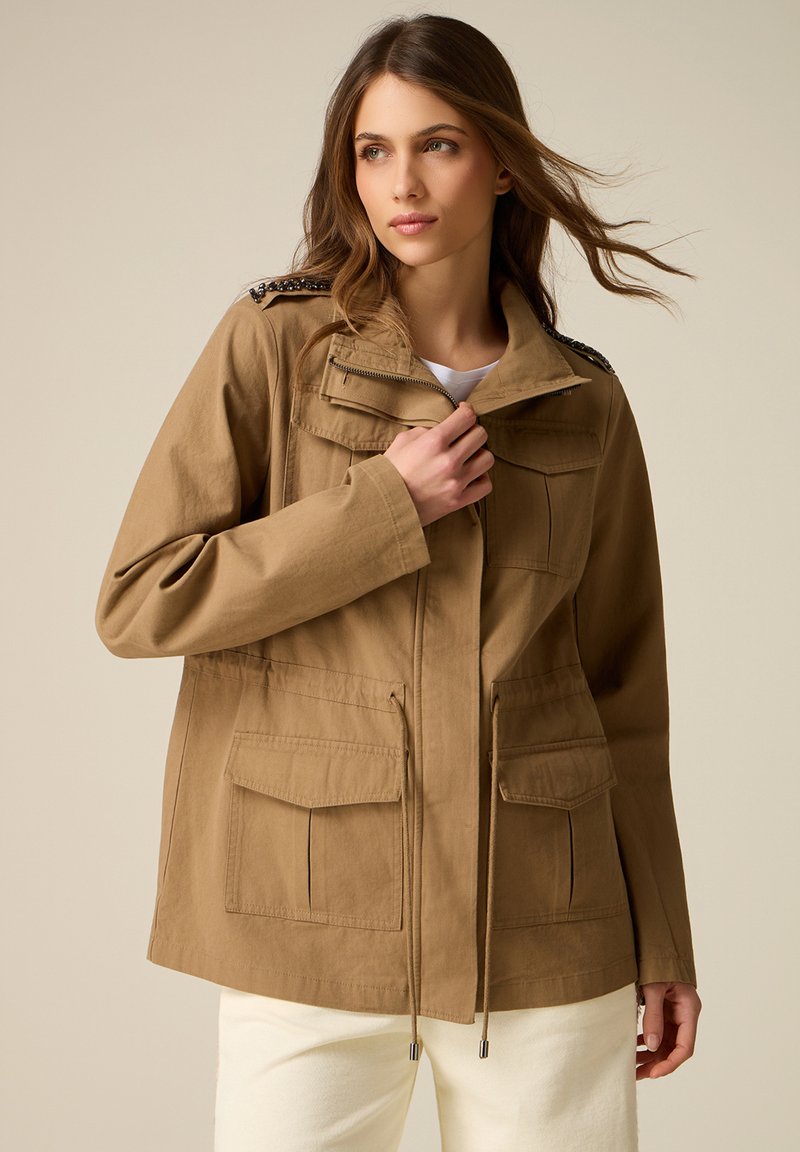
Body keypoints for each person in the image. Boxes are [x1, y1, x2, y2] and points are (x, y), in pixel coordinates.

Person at [95, 13, 701, 1151]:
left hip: (544, 923)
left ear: (503, 163)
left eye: (439, 145)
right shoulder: (275, 344)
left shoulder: (582, 399)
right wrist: (381, 509)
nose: (401, 183)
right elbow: (141, 597)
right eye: (372, 151)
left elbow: (624, 690)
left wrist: (660, 935)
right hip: (312, 918)